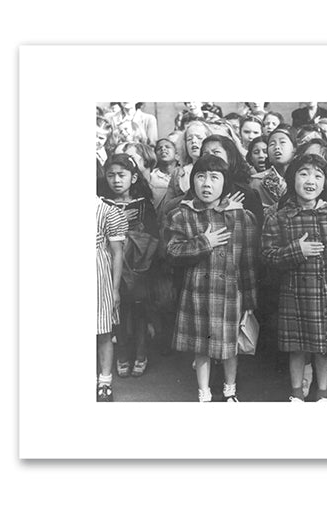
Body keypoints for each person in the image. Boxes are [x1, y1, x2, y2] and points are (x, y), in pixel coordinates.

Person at [261, 153, 327, 402]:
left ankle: (322, 393)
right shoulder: (279, 217)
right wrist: (295, 251)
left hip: (326, 293)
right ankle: (296, 394)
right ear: (292, 179)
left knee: (325, 348)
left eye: (317, 175)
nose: (310, 180)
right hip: (292, 293)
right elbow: (267, 255)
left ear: (325, 183)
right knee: (296, 347)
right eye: (303, 174)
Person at [165, 154, 259, 402]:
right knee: (201, 347)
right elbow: (173, 252)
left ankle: (230, 391)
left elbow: (247, 262)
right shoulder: (182, 215)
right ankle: (203, 392)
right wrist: (204, 242)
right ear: (192, 181)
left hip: (229, 292)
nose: (207, 183)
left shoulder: (240, 217)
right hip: (196, 294)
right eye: (201, 177)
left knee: (230, 347)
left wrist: (249, 300)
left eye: (214, 178)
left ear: (225, 183)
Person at [102, 154, 158, 381]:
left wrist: (134, 239)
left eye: (121, 175)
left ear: (133, 178)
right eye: (111, 175)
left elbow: (153, 235)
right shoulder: (101, 203)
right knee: (118, 312)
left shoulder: (144, 205)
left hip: (138, 267)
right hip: (111, 266)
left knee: (140, 311)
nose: (116, 180)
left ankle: (141, 353)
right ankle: (122, 354)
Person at [96, 196, 127, 402]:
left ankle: (104, 381)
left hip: (98, 276)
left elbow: (117, 253)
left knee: (103, 329)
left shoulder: (105, 210)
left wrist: (115, 289)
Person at [200, 135, 264, 226]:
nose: (210, 157)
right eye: (206, 154)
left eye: (216, 152)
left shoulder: (244, 193)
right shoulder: (197, 189)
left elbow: (256, 228)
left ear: (229, 157)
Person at [160, 120, 212, 214]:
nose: (194, 141)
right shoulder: (178, 173)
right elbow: (166, 207)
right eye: (189, 139)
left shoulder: (218, 169)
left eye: (199, 138)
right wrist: (189, 195)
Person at [251, 125, 297, 209]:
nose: (277, 147)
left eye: (282, 142)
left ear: (294, 149)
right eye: (272, 144)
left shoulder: (302, 177)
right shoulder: (256, 182)